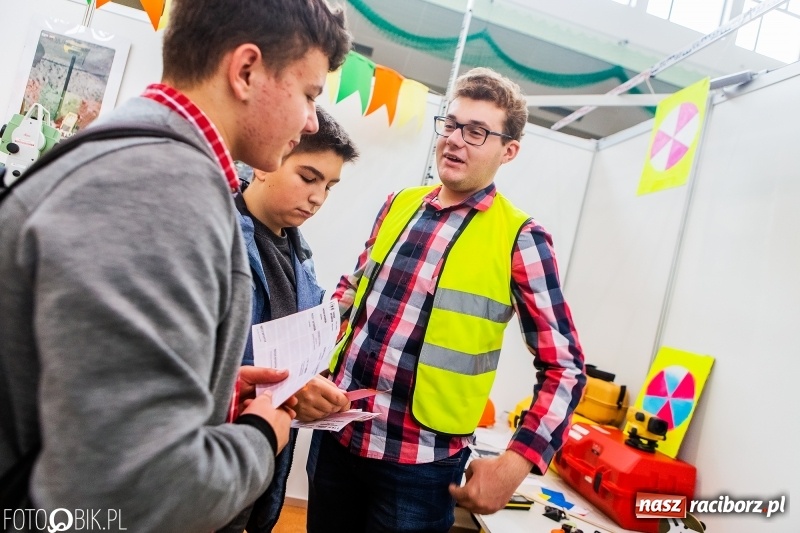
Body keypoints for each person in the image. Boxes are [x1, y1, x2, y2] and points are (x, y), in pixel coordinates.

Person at [0, 1, 350, 532]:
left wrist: (215, 390)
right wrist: (259, 436)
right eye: (309, 94)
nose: (308, 121)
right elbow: (134, 492)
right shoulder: (164, 188)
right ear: (247, 70)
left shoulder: (137, 151)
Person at [306, 67, 587, 533]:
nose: (455, 140)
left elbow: (567, 369)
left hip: (419, 470)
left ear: (508, 151)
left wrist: (517, 463)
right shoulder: (399, 204)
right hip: (337, 440)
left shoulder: (522, 239)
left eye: (477, 132)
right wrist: (310, 366)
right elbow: (352, 293)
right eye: (451, 124)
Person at [221, 107, 358, 533]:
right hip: (211, 459)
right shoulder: (218, 237)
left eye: (329, 186)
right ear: (266, 163)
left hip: (263, 466)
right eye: (308, 177)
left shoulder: (301, 257)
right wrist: (292, 386)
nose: (318, 197)